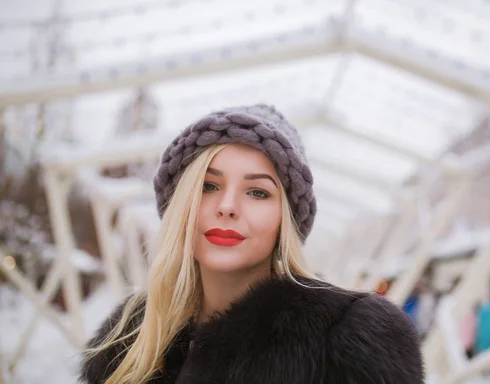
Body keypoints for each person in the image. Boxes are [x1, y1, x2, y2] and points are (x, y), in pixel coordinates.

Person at [79, 104, 424, 384]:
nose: (227, 206)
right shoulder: (126, 340)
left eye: (258, 192)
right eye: (208, 186)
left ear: (284, 221)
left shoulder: (347, 337)